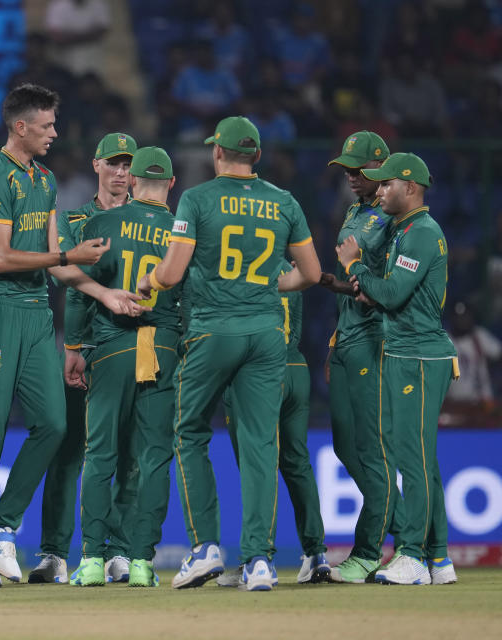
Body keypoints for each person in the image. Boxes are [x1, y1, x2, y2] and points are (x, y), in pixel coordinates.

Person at [0, 83, 146, 589]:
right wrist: (66, 256)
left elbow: (61, 265)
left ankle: (3, 523)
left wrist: (104, 293)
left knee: (54, 425)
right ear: (21, 127)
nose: (54, 133)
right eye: (47, 126)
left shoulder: (43, 180)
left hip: (38, 313)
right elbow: (0, 259)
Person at [138, 116, 321, 591]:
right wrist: (267, 285)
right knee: (262, 444)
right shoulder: (285, 202)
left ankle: (205, 550)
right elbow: (313, 274)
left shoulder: (197, 199)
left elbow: (173, 273)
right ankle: (259, 561)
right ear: (256, 155)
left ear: (217, 153)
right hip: (266, 333)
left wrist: (148, 280)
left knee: (189, 432)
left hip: (212, 332)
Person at [337, 152, 458, 586]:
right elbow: (390, 294)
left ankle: (412, 556)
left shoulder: (421, 233)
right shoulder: (407, 230)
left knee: (411, 457)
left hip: (418, 354)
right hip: (411, 350)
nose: (380, 191)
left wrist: (353, 265)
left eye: (387, 184)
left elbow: (390, 295)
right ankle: (439, 559)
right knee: (422, 459)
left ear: (411, 188)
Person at [68, 146, 181, 588]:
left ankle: (93, 560)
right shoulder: (183, 231)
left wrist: (74, 345)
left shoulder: (102, 223)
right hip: (164, 348)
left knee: (100, 455)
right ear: (172, 184)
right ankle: (140, 562)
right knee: (153, 457)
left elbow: (79, 290)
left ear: (132, 182)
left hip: (112, 343)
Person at [30, 131, 138, 585]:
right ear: (96, 166)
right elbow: (66, 279)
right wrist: (73, 346)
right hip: (84, 347)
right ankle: (54, 552)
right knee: (69, 449)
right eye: (112, 163)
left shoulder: (147, 220)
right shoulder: (73, 218)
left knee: (129, 453)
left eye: (127, 164)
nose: (120, 172)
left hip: (136, 348)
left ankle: (119, 550)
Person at [320, 131, 403, 583]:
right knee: (345, 446)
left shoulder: (393, 219)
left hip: (374, 338)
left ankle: (370, 550)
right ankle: (416, 533)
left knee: (372, 449)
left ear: (382, 169)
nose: (352, 177)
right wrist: (330, 282)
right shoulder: (354, 212)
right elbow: (355, 280)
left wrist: (354, 272)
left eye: (359, 170)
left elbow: (388, 288)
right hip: (346, 335)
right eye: (348, 170)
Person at [218, 259, 330, 586]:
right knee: (297, 463)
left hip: (258, 372)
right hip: (295, 365)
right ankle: (316, 554)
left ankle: (260, 559)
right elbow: (294, 322)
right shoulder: (287, 266)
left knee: (259, 464)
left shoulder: (237, 266)